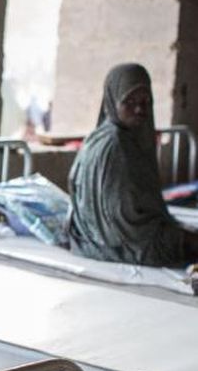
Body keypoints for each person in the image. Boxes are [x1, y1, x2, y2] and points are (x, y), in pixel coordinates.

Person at [68, 63, 198, 266]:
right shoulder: (116, 145)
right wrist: (179, 237)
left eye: (146, 101)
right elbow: (125, 225)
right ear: (113, 100)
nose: (139, 109)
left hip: (103, 237)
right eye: (129, 101)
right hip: (122, 243)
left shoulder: (107, 136)